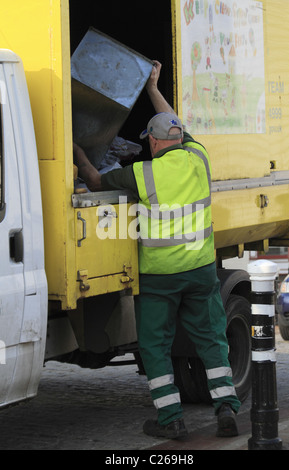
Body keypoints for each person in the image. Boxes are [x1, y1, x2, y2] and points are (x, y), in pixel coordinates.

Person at [73, 60, 241, 440]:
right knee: (212, 340)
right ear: (180, 137)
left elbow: (96, 179)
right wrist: (153, 88)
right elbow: (172, 119)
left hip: (161, 279)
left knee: (155, 346)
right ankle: (227, 408)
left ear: (151, 142)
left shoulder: (141, 173)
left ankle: (171, 420)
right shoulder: (199, 158)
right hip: (200, 273)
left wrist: (77, 152)